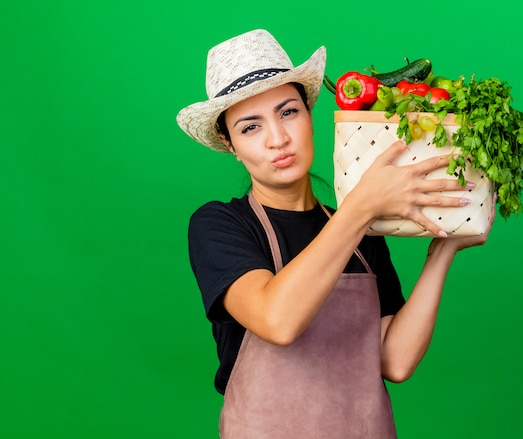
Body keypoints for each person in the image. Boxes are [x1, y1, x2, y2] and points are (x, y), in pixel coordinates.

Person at [176, 29, 495, 439]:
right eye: (250, 128)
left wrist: (442, 252)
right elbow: (277, 320)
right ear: (231, 144)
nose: (278, 139)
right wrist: (362, 207)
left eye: (288, 112)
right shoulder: (220, 225)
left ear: (310, 115)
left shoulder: (360, 230)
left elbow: (394, 361)